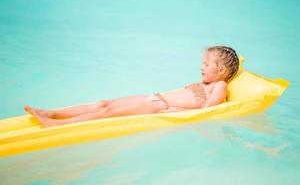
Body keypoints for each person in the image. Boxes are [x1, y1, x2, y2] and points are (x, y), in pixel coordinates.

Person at [24, 46, 240, 127]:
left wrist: (172, 111)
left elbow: (207, 111)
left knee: (107, 112)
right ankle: (52, 113)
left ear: (221, 70)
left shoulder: (219, 86)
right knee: (103, 104)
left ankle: (57, 125)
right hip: (153, 98)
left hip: (159, 106)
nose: (201, 67)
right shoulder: (206, 83)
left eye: (206, 64)